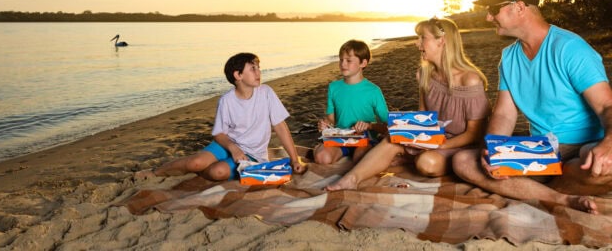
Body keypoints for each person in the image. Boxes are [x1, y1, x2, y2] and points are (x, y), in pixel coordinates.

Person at [451, 0, 612, 214]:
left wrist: (609, 144)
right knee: (462, 162)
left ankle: (536, 187)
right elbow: (505, 114)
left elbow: (607, 105)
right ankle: (562, 197)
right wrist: (493, 150)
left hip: (586, 147)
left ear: (518, 7)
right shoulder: (508, 57)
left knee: (600, 165)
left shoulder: (570, 48)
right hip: (541, 149)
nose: (488, 17)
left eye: (493, 10)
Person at [325, 17, 489, 191]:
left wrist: (439, 145)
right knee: (391, 140)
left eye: (422, 38)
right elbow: (423, 117)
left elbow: (474, 133)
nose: (417, 43)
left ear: (441, 41)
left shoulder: (469, 79)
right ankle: (351, 179)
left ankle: (406, 158)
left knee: (426, 163)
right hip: (431, 140)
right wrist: (410, 136)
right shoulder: (424, 74)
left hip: (459, 145)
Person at [142, 52, 306, 180]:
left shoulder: (266, 93)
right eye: (253, 68)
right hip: (227, 145)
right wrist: (233, 148)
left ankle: (198, 172)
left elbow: (281, 127)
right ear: (238, 75)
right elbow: (219, 133)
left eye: (258, 67)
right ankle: (156, 172)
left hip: (252, 154)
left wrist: (294, 160)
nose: (259, 72)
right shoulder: (226, 101)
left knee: (217, 172)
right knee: (195, 162)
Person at [313, 39, 389, 166]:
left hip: (365, 140)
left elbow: (388, 126)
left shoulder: (374, 91)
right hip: (340, 139)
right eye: (341, 59)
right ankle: (319, 149)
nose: (343, 64)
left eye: (348, 60)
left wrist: (370, 126)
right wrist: (325, 124)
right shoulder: (333, 87)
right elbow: (331, 119)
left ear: (363, 63)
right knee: (322, 158)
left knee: (360, 159)